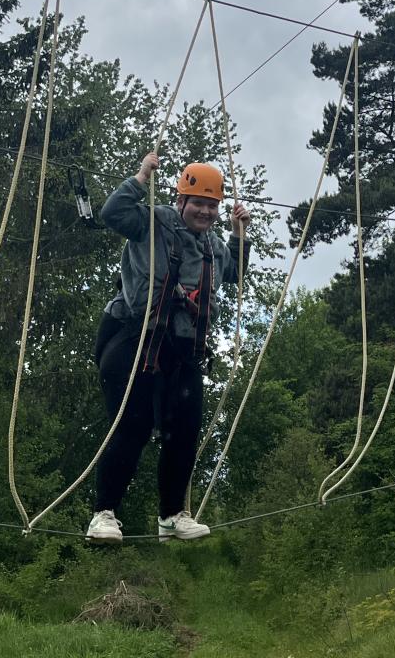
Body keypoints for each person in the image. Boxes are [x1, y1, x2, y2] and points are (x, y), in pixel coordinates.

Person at [86, 152, 251, 543]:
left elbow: (235, 272)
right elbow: (112, 214)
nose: (205, 212)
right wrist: (141, 176)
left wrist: (238, 234)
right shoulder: (153, 222)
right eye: (198, 203)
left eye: (212, 206)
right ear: (181, 201)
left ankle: (172, 515)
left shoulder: (213, 246)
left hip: (182, 349)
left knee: (185, 430)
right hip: (133, 339)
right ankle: (103, 514)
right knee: (134, 425)